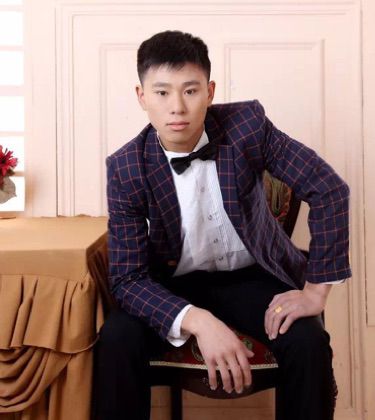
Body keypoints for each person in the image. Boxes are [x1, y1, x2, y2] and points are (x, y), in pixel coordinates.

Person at [92, 30, 351, 420]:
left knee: (307, 340)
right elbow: (127, 279)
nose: (177, 107)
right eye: (162, 92)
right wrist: (198, 321)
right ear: (142, 97)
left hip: (254, 277)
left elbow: (329, 189)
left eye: (190, 90)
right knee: (116, 337)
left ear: (210, 92)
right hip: (173, 284)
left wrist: (316, 291)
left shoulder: (247, 126)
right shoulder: (126, 167)